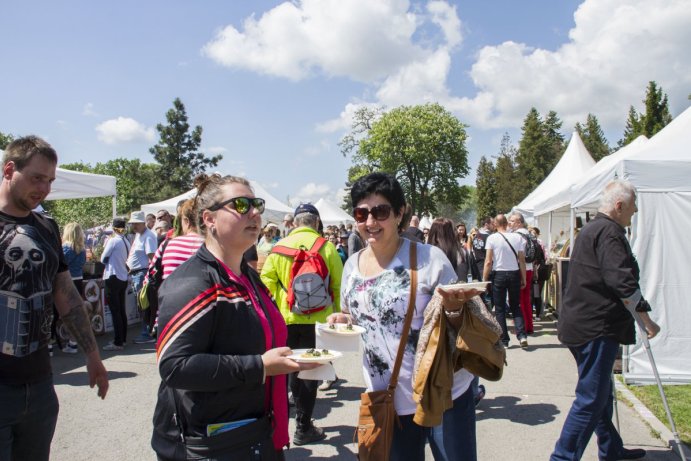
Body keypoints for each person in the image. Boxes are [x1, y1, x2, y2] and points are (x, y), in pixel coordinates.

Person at [152, 174, 316, 460]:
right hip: (212, 444)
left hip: (253, 432)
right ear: (209, 219)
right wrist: (259, 366)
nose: (254, 213)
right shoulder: (193, 282)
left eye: (256, 205)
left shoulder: (248, 276)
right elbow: (175, 366)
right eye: (240, 205)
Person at [329, 172, 477, 461]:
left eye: (380, 212)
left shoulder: (429, 259)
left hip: (443, 393)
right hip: (387, 400)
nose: (370, 223)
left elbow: (461, 322)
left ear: (399, 214)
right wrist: (342, 320)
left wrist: (457, 308)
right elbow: (353, 314)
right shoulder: (352, 267)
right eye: (361, 213)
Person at [0, 136, 108, 461]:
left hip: (40, 384)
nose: (45, 188)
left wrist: (92, 355)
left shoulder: (46, 226)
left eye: (50, 180)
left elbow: (66, 295)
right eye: (37, 178)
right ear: (9, 170)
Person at [550, 180, 660, 461]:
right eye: (632, 209)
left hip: (584, 323)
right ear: (619, 206)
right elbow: (621, 281)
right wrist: (646, 321)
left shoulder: (594, 229)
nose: (633, 214)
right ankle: (562, 457)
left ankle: (611, 449)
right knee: (591, 399)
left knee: (600, 394)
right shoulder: (608, 232)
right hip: (595, 327)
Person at [261, 203, 343, 445]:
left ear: (294, 223)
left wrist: (282, 302)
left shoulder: (278, 248)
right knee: (311, 373)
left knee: (289, 369)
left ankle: (287, 423)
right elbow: (337, 286)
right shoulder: (327, 248)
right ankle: (303, 427)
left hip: (286, 319)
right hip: (318, 321)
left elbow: (265, 281)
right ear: (316, 223)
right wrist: (335, 319)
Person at [483, 214, 529, 348]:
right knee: (516, 306)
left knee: (500, 308)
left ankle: (504, 340)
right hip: (514, 273)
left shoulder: (492, 238)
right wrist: (524, 278)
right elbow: (522, 260)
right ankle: (522, 336)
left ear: (495, 225)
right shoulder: (517, 237)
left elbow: (488, 262)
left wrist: (485, 280)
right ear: (506, 223)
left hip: (499, 274)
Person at [127, 211, 158, 344]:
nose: (133, 226)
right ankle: (147, 331)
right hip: (138, 273)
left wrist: (149, 275)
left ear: (142, 223)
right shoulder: (141, 235)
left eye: (135, 223)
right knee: (142, 304)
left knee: (144, 305)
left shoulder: (148, 236)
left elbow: (152, 258)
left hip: (142, 273)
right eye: (132, 223)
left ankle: (147, 332)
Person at [101, 217, 131, 351]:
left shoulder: (113, 240)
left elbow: (103, 258)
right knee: (121, 309)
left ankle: (118, 341)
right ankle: (122, 339)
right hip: (122, 277)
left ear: (114, 228)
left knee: (115, 311)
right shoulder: (126, 241)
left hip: (113, 276)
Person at [59, 222, 87, 354]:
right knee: (75, 314)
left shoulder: (66, 249)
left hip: (67, 282)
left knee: (64, 314)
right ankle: (74, 342)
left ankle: (60, 343)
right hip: (78, 281)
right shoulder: (82, 249)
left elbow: (61, 266)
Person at [508, 212, 536, 335]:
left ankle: (521, 326)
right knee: (526, 299)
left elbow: (518, 256)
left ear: (519, 222)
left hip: (520, 268)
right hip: (529, 268)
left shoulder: (516, 236)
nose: (509, 223)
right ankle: (529, 326)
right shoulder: (530, 234)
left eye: (512, 221)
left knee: (518, 299)